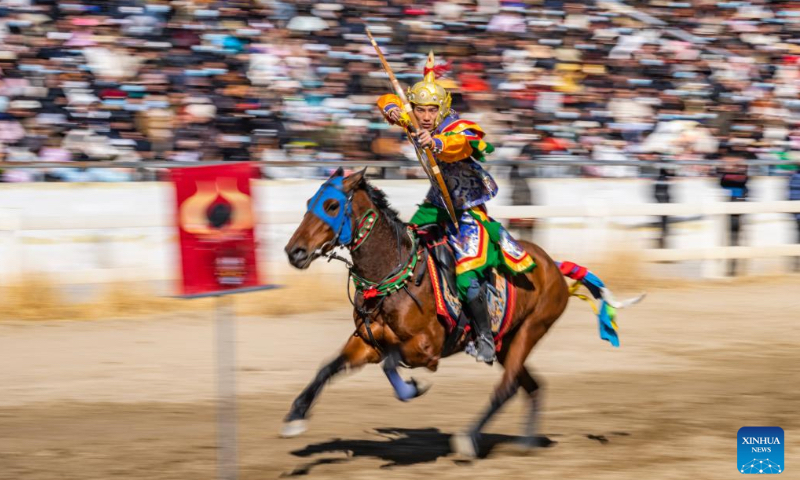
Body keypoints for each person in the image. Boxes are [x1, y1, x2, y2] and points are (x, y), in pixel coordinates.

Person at [377, 52, 536, 364]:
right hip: (436, 204)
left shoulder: (457, 127)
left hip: (467, 211)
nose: (424, 116)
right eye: (419, 110)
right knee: (404, 245)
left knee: (466, 274)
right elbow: (384, 99)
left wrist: (435, 143)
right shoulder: (413, 119)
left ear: (442, 109)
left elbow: (460, 146)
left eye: (430, 110)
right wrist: (395, 110)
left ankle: (485, 338)